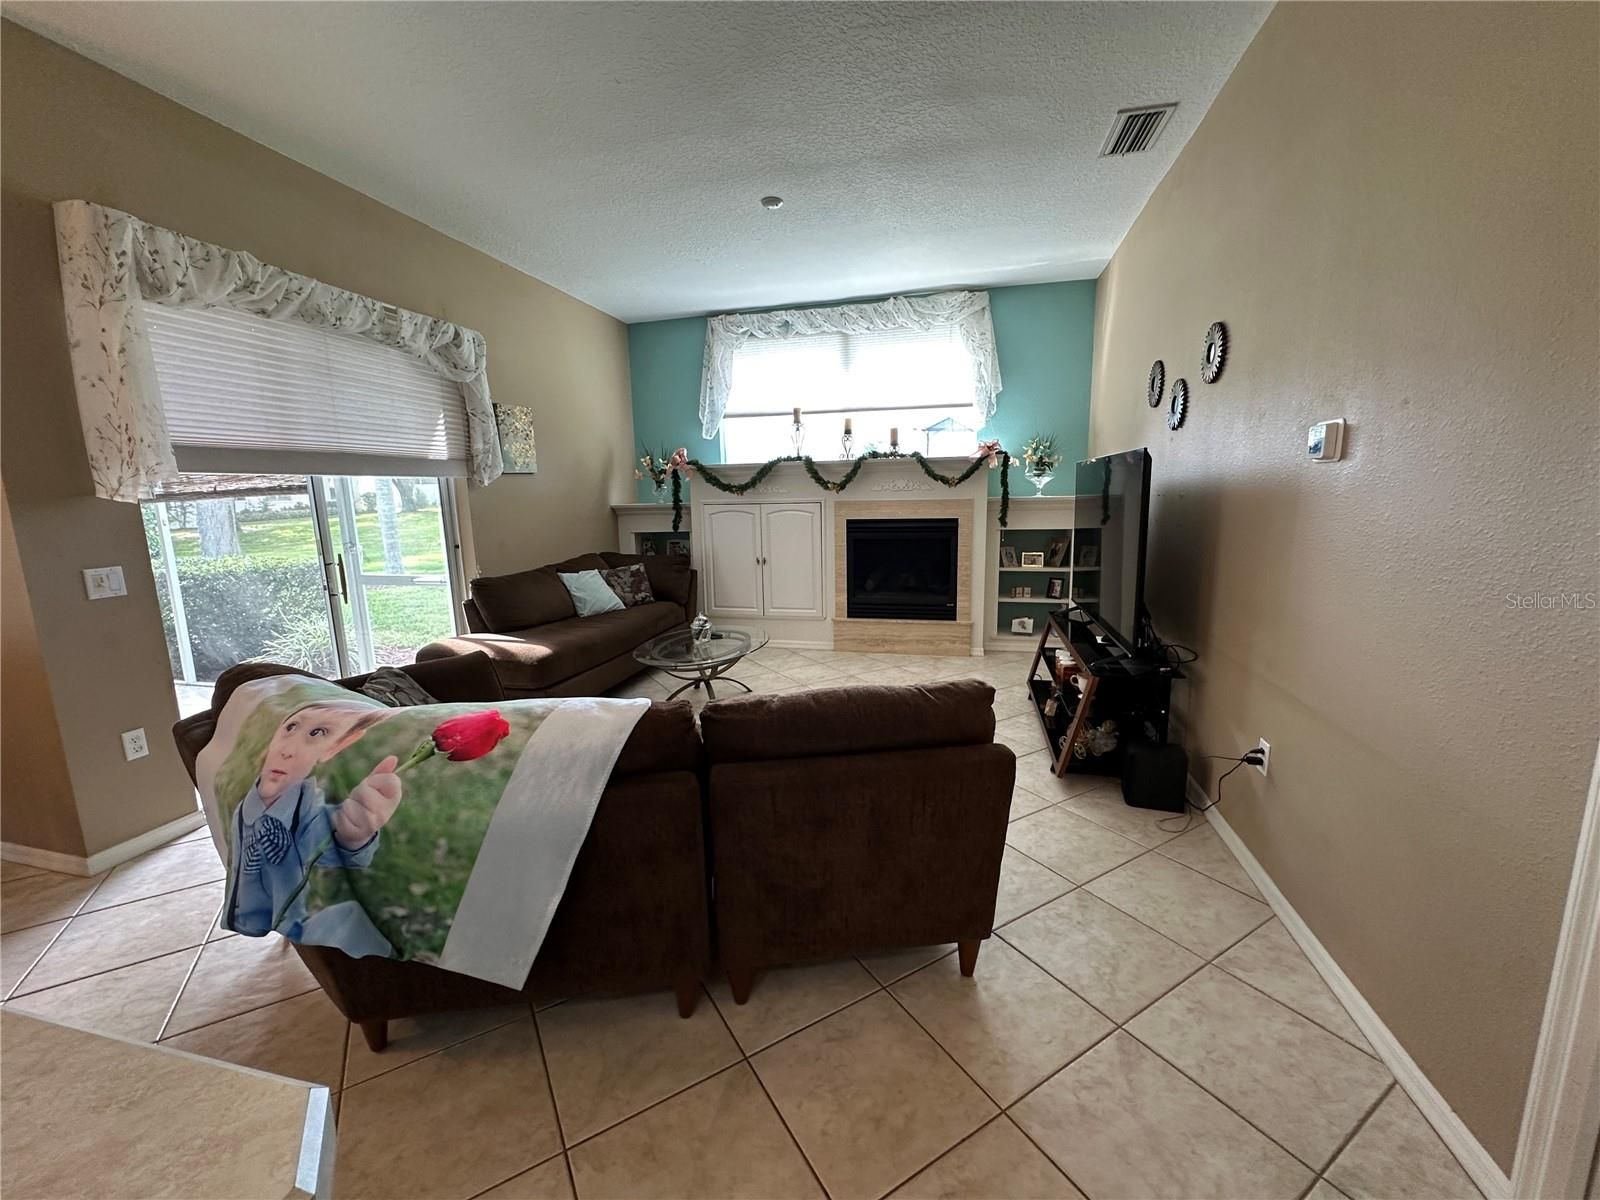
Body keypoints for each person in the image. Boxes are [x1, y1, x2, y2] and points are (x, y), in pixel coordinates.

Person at [223, 699, 402, 958]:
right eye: (291, 727)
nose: (287, 750)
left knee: (350, 918)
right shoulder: (246, 803)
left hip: (294, 923)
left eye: (317, 733)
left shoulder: (305, 807)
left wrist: (352, 833)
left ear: (334, 748)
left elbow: (322, 837)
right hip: (246, 913)